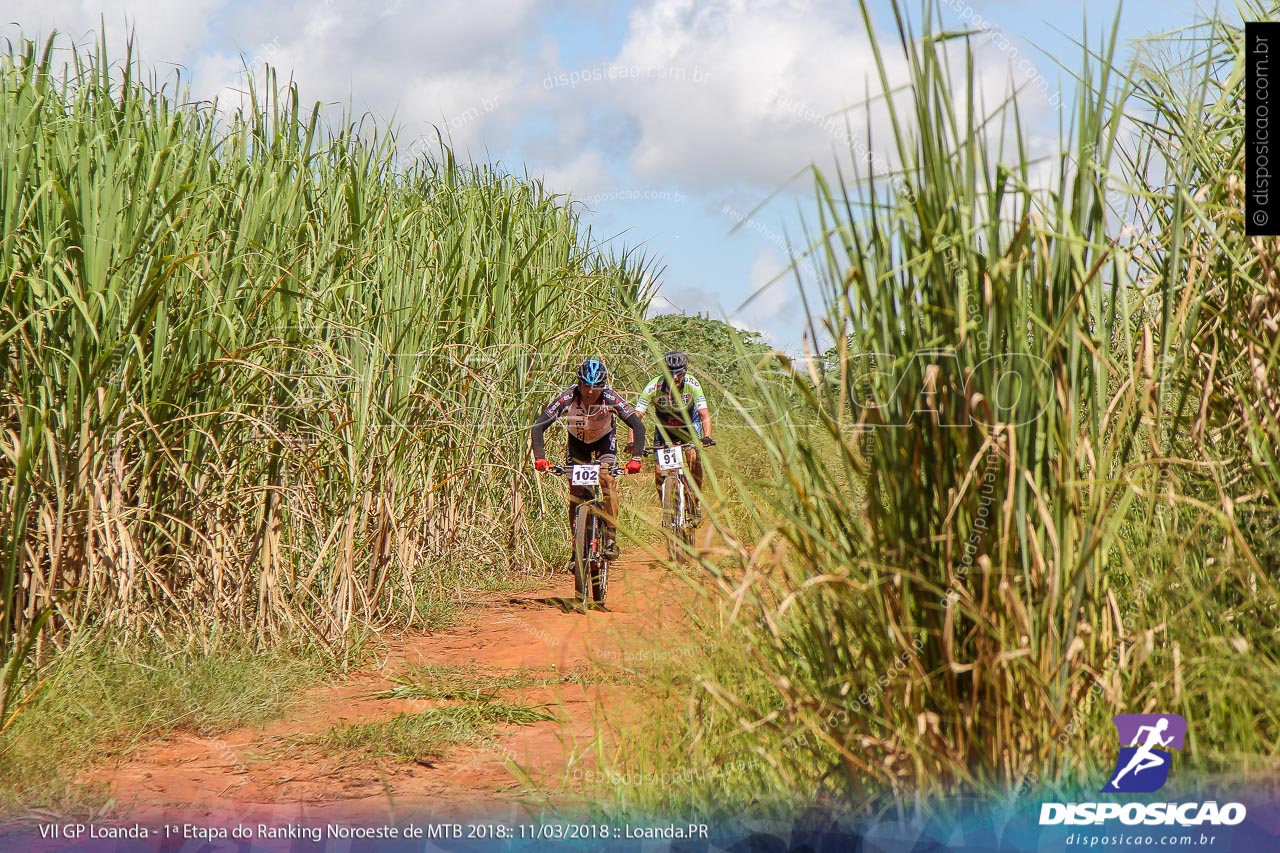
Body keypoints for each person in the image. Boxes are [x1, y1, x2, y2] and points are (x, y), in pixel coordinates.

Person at [531, 358, 644, 561]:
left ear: (603, 386)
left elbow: (637, 425)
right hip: (578, 443)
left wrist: (636, 457)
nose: (590, 392)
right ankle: (577, 546)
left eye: (596, 387)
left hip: (604, 442)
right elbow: (538, 426)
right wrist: (540, 457)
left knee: (606, 479)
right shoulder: (567, 397)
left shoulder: (611, 398)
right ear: (579, 383)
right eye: (586, 386)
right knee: (575, 490)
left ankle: (610, 536)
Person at [628, 351, 715, 519]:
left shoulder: (692, 384)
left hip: (688, 425)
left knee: (693, 456)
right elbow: (635, 417)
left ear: (685, 372)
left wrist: (707, 436)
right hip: (664, 427)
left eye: (679, 373)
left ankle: (695, 502)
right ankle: (667, 512)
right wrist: (631, 441)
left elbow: (704, 413)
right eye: (671, 373)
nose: (675, 377)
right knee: (659, 470)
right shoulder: (654, 386)